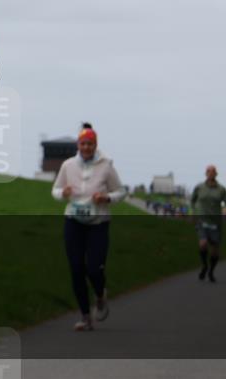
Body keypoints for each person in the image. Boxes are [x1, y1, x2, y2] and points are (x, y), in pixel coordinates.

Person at [52, 123, 126, 331]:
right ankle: (85, 316)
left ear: (95, 145)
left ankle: (100, 295)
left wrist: (106, 197)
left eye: (90, 144)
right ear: (78, 145)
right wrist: (63, 193)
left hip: (98, 223)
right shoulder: (68, 165)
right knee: (76, 268)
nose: (86, 147)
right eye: (83, 143)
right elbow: (55, 190)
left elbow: (121, 192)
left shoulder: (106, 166)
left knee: (94, 268)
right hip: (73, 221)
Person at [190, 165, 226, 282]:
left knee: (215, 251)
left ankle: (211, 271)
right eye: (208, 171)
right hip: (202, 220)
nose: (211, 173)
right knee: (203, 243)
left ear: (216, 174)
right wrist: (193, 213)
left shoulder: (221, 189)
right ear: (206, 173)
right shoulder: (199, 187)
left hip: (216, 223)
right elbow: (192, 201)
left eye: (213, 171)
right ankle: (204, 266)